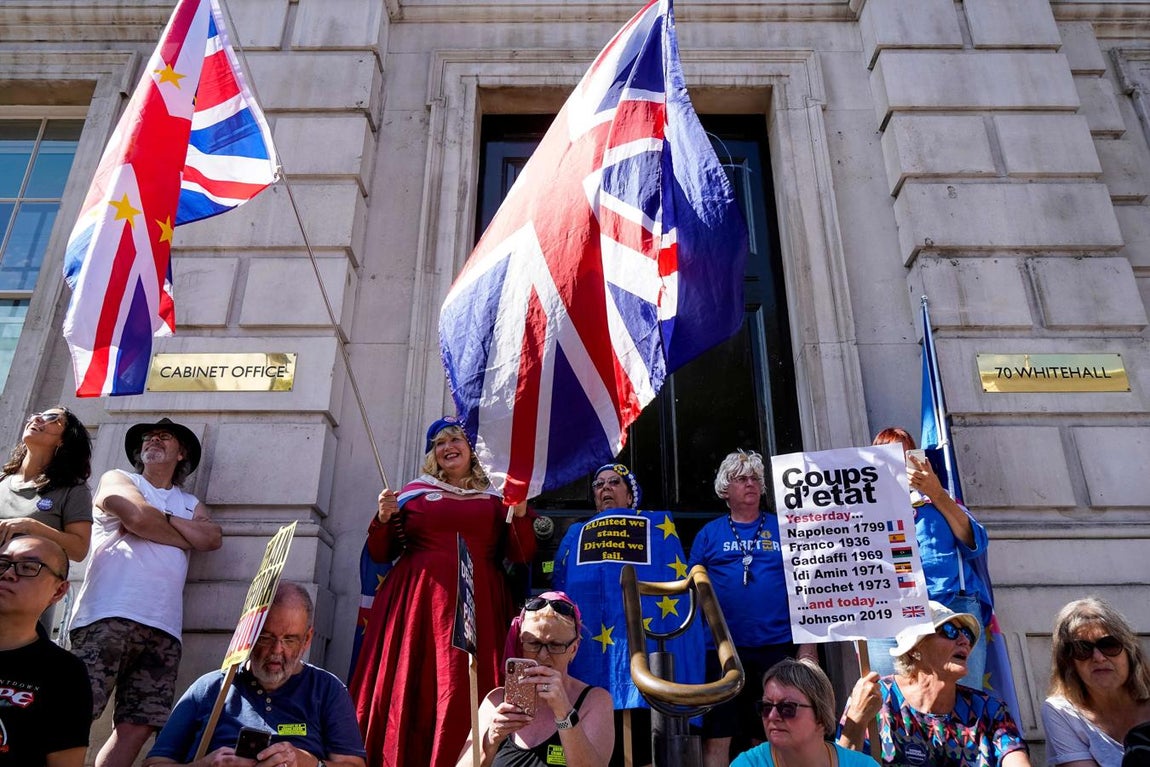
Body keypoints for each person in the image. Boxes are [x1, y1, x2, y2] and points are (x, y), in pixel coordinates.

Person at [351, 416, 537, 767]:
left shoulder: (499, 494)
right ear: (432, 454)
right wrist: (384, 519)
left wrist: (522, 513)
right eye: (440, 443)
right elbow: (380, 552)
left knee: (469, 687)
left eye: (456, 441)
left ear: (473, 450)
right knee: (414, 686)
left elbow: (521, 553)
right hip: (417, 607)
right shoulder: (413, 493)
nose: (448, 448)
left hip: (480, 605)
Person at [69, 417, 222, 767]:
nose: (153, 441)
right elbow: (135, 515)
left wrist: (160, 519)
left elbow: (212, 538)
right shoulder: (120, 478)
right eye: (148, 438)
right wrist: (184, 533)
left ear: (181, 453)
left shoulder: (189, 500)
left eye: (163, 437)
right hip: (108, 614)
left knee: (138, 725)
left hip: (164, 627)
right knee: (74, 711)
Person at [552, 462, 705, 767]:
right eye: (599, 484)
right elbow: (562, 586)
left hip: (641, 649)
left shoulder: (655, 526)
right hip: (594, 650)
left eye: (614, 483)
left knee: (645, 745)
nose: (605, 488)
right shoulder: (576, 534)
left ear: (630, 494)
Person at [144, 582, 366, 767]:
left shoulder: (327, 690)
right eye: (266, 637)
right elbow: (154, 763)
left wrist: (309, 762)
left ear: (307, 640)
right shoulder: (210, 688)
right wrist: (202, 766)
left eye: (289, 639)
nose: (277, 651)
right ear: (248, 633)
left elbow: (353, 765)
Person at [688, 450, 817, 766]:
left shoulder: (785, 528)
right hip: (722, 652)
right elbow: (690, 591)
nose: (750, 484)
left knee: (772, 732)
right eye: (741, 478)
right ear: (725, 489)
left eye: (755, 479)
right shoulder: (709, 535)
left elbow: (808, 585)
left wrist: (808, 647)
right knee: (719, 735)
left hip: (775, 649)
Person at [867, 427, 991, 689]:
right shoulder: (868, 510)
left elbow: (976, 544)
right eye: (888, 456)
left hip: (954, 609)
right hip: (892, 613)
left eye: (904, 454)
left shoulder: (940, 498)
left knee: (965, 698)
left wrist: (936, 493)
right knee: (895, 698)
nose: (898, 463)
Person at [837, 601, 1030, 767]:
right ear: (915, 649)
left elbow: (1015, 759)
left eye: (967, 635)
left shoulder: (990, 711)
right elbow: (844, 761)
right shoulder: (877, 699)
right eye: (949, 631)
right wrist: (857, 720)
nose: (964, 641)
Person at [458, 591, 614, 766]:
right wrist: (490, 739)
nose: (542, 655)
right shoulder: (496, 700)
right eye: (533, 643)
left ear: (574, 649)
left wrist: (564, 713)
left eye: (555, 645)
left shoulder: (594, 701)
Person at [0, 535, 92, 767]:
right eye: (2, 563)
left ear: (59, 591)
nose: (8, 573)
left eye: (28, 567)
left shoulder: (64, 672)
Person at [1042, 597, 1150, 767]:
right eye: (1082, 649)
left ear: (1130, 652)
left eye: (1109, 645)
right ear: (1068, 662)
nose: (1098, 658)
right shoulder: (1061, 712)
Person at [731, 658, 876, 767]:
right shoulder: (749, 764)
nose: (772, 716)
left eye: (787, 708)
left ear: (820, 716)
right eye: (766, 707)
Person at [0, 406, 93, 562]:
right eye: (36, 415)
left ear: (63, 440)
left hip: (26, 582)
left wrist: (31, 527)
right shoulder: (2, 480)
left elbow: (79, 550)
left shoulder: (73, 489)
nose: (37, 419)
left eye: (52, 418)